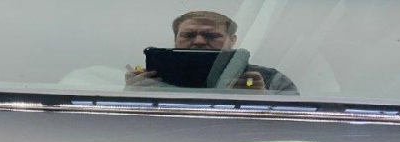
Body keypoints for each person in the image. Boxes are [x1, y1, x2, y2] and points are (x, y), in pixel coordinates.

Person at [126, 10, 297, 94]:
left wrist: (263, 98)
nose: (199, 41)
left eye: (211, 35)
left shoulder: (272, 81)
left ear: (232, 40)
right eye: (188, 35)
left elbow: (296, 131)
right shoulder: (149, 80)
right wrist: (131, 93)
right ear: (175, 39)